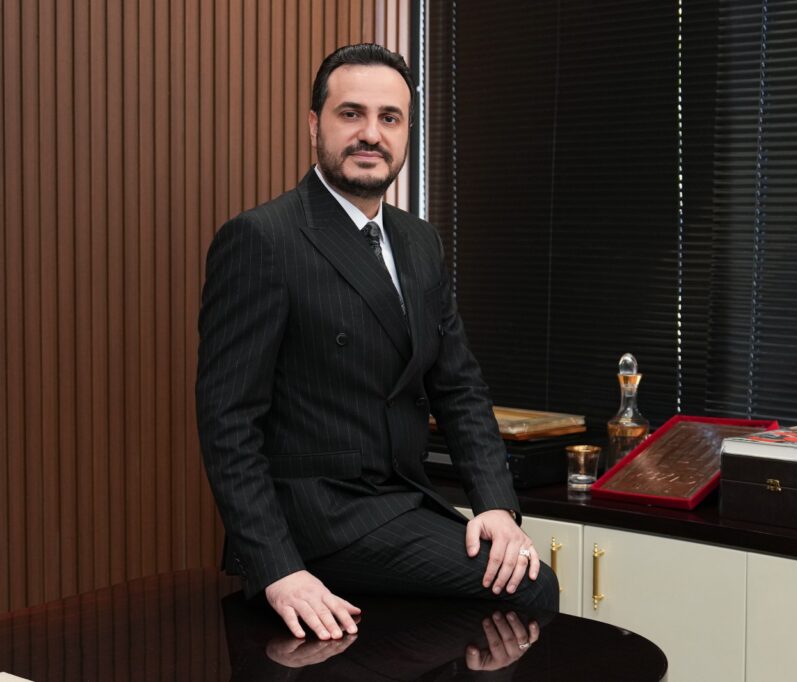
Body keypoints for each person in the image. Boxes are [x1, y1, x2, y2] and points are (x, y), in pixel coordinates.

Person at [196, 43, 558, 642]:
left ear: (407, 132)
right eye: (351, 114)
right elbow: (227, 421)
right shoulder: (263, 239)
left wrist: (496, 504)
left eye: (389, 118)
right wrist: (278, 568)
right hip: (316, 520)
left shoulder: (420, 242)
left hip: (400, 500)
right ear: (314, 124)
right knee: (531, 585)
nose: (371, 133)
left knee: (514, 566)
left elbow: (460, 388)